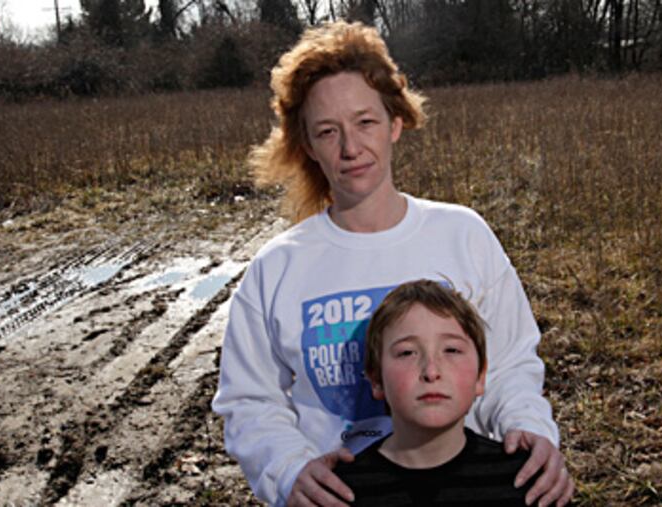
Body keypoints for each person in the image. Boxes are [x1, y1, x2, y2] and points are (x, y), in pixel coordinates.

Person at [212, 20, 574, 507]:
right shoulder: (276, 268)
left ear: (395, 122)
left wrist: (529, 430)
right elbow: (249, 400)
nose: (350, 147)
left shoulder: (462, 235)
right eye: (327, 131)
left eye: (365, 122)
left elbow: (509, 363)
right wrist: (288, 470)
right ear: (307, 146)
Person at [333, 279, 541, 506]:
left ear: (480, 376)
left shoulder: (526, 482)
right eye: (407, 353)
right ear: (376, 380)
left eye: (451, 350)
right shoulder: (337, 493)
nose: (431, 372)